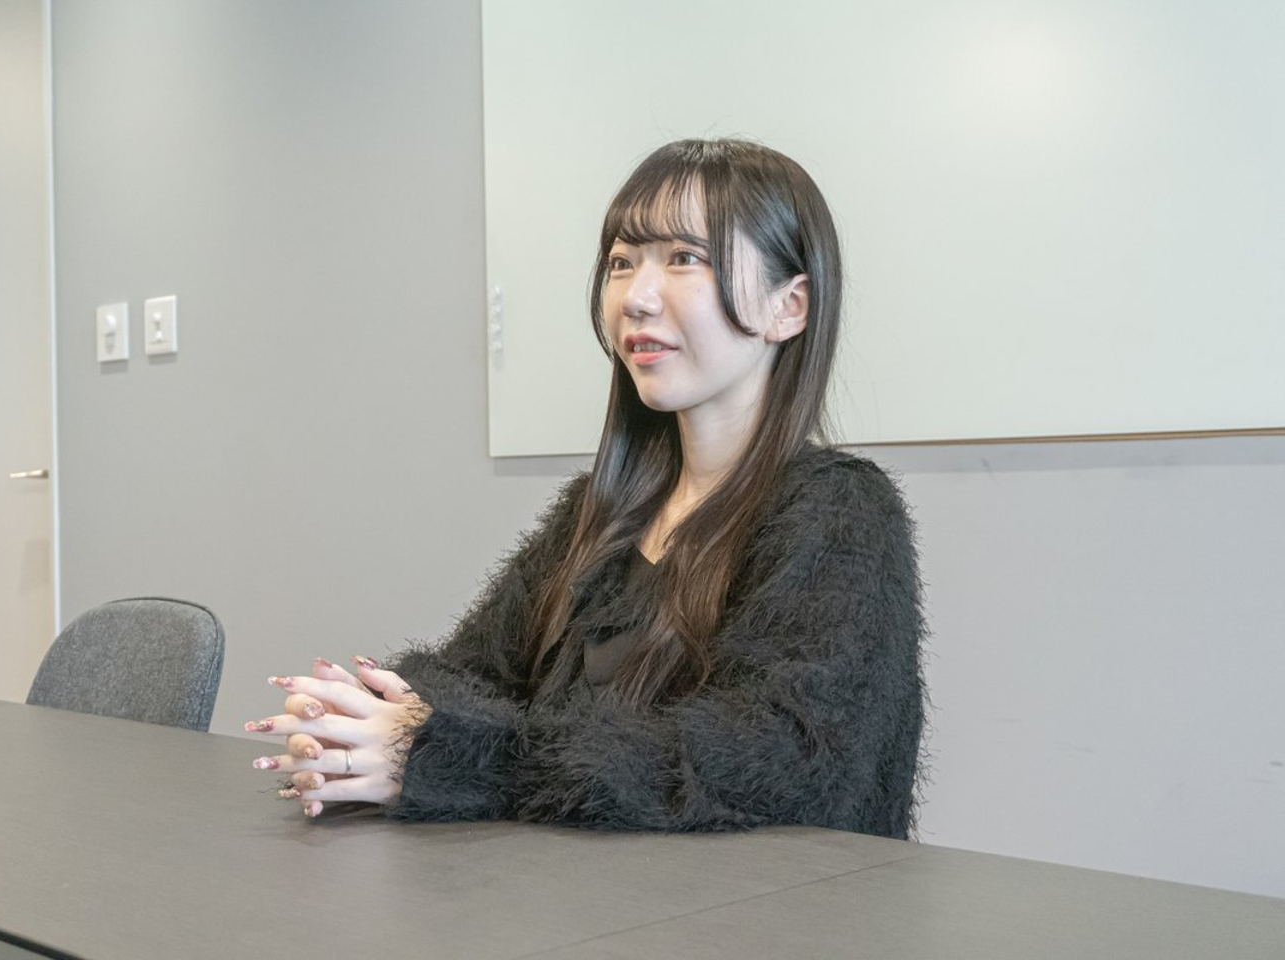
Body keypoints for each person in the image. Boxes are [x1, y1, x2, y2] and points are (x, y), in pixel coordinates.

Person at [247, 138, 927, 836]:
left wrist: (455, 758)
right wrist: (367, 720)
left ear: (790, 306)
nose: (636, 298)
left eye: (683, 258)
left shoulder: (842, 511)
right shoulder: (601, 509)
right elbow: (472, 673)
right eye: (621, 263)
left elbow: (773, 761)